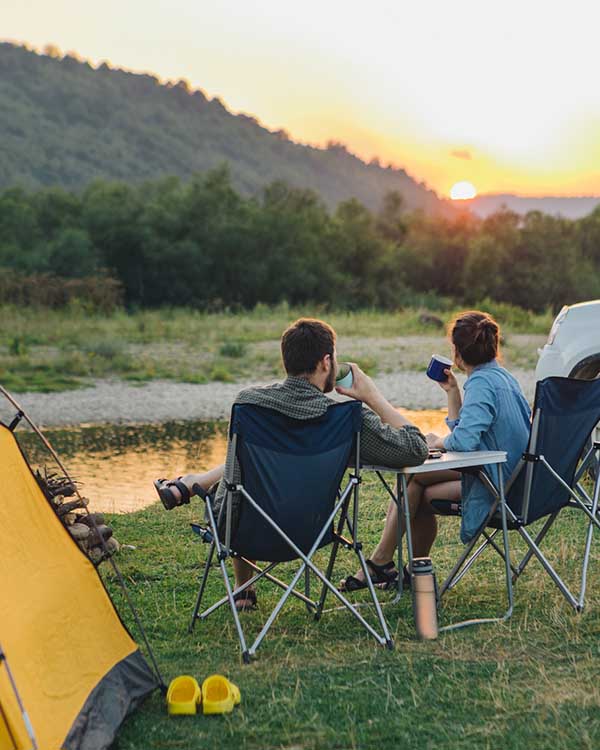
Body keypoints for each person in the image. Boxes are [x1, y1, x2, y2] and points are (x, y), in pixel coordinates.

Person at [154, 317, 428, 610]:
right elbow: (415, 449)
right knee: (241, 470)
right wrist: (373, 397)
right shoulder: (346, 419)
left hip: (243, 531)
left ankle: (242, 588)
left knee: (240, 475)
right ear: (326, 363)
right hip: (310, 531)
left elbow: (234, 480)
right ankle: (192, 484)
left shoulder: (249, 404)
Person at [343, 310, 531, 590]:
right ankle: (401, 569)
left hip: (496, 485)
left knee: (416, 486)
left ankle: (384, 565)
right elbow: (468, 433)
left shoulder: (481, 383)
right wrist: (453, 393)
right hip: (513, 478)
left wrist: (435, 442)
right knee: (415, 485)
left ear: (456, 352)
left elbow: (463, 442)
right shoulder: (502, 378)